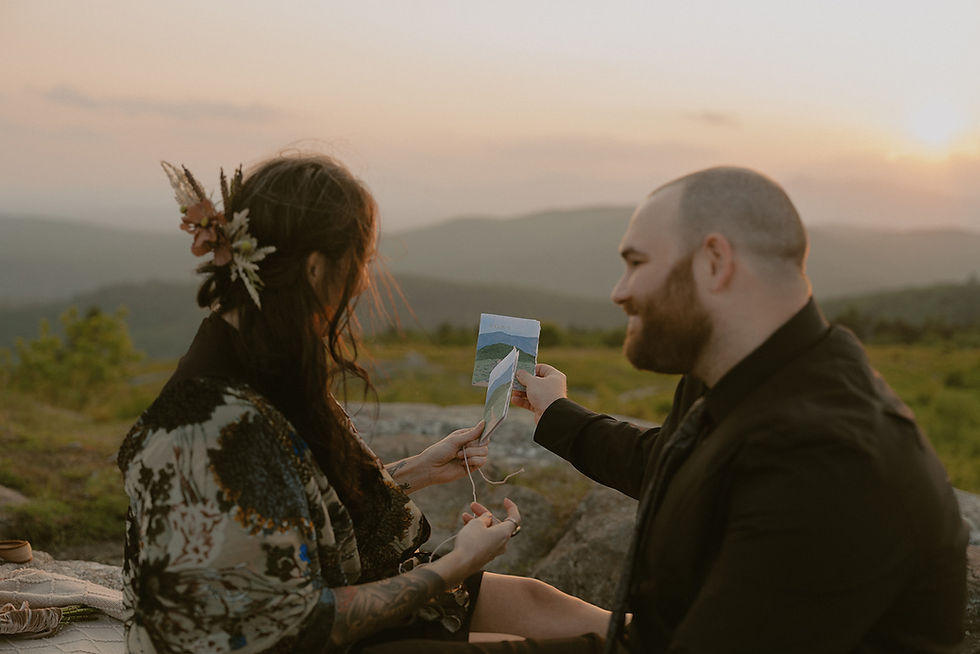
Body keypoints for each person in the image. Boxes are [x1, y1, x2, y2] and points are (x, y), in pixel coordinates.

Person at [117, 154, 611, 653]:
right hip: (298, 637)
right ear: (315, 268)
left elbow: (282, 508)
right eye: (361, 263)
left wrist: (415, 470)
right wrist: (454, 565)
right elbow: (294, 626)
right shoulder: (208, 425)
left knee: (535, 601)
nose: (365, 282)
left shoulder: (264, 363)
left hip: (314, 613)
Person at [513, 166, 968, 653]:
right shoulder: (739, 376)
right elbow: (669, 465)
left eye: (637, 263)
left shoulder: (828, 458)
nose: (619, 292)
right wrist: (557, 413)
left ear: (714, 261)